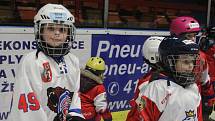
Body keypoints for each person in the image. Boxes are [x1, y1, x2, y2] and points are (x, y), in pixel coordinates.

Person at [10, 4, 85, 121]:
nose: (57, 33)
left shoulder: (73, 60)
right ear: (40, 31)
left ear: (69, 33)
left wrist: (75, 115)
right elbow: (27, 107)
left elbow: (74, 96)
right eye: (51, 28)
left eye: (62, 29)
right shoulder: (31, 61)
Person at [136, 37, 203, 121]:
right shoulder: (157, 88)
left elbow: (198, 117)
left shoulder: (193, 87)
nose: (191, 66)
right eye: (186, 62)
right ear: (170, 62)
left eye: (192, 61)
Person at [170, 16, 215, 120]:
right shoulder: (166, 55)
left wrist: (209, 99)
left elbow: (205, 81)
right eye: (188, 36)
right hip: (172, 104)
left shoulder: (201, 57)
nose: (192, 39)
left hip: (194, 103)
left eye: (194, 35)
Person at [126, 36, 165, 121]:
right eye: (167, 55)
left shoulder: (162, 78)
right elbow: (142, 114)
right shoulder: (149, 83)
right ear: (154, 57)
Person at [80, 57, 112, 121]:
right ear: (100, 73)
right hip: (89, 116)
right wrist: (108, 118)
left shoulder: (76, 79)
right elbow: (102, 108)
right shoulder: (99, 88)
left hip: (74, 114)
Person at [198, 26, 215, 120]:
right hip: (209, 77)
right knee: (207, 103)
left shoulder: (204, 40)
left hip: (208, 76)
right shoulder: (209, 44)